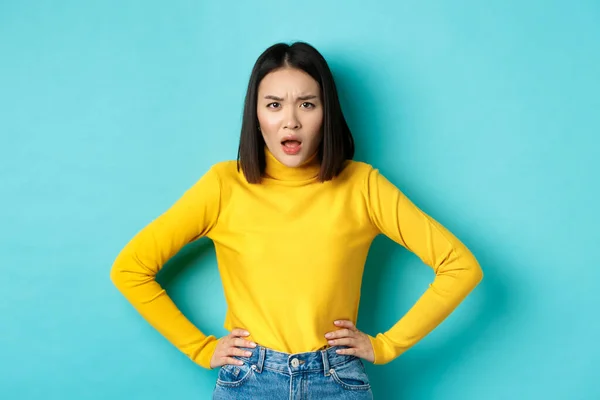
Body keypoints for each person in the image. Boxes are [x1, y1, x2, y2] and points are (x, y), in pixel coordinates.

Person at [110, 41, 483, 399]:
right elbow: (130, 269)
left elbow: (459, 266)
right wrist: (200, 348)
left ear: (326, 114)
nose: (291, 121)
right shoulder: (224, 186)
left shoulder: (363, 186)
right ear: (256, 117)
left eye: (307, 104)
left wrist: (385, 345)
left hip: (337, 379)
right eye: (274, 105)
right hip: (249, 380)